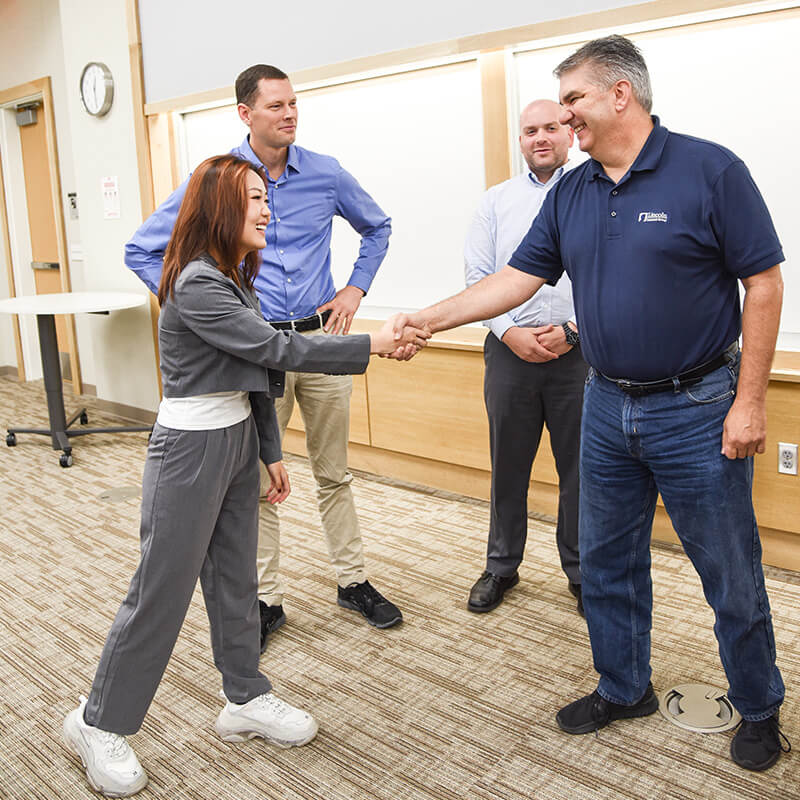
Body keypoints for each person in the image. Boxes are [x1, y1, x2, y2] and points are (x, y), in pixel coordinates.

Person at [393, 36, 790, 771]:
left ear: (619, 95)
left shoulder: (709, 170)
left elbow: (763, 284)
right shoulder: (572, 192)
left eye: (573, 98)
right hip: (607, 403)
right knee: (607, 560)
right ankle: (623, 685)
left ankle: (761, 706)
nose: (565, 115)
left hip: (698, 405)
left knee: (728, 570)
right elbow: (513, 281)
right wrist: (427, 318)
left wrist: (751, 403)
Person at [63, 155, 427, 798]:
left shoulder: (235, 278)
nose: (267, 209)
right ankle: (98, 722)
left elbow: (256, 376)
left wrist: (267, 450)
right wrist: (372, 343)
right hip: (188, 450)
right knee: (161, 590)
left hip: (232, 441)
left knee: (236, 583)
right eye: (255, 198)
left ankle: (246, 697)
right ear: (219, 210)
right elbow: (274, 349)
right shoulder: (197, 281)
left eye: (267, 197)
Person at [125, 64, 402, 649]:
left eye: (294, 104)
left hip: (319, 338)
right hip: (254, 352)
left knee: (334, 473)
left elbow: (377, 227)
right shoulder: (221, 181)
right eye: (276, 106)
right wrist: (202, 311)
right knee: (257, 480)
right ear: (246, 114)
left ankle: (352, 580)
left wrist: (355, 289)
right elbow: (142, 249)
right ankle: (265, 597)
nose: (290, 114)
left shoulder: (325, 174)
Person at [464, 99, 586, 617]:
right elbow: (478, 280)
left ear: (569, 132)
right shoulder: (496, 202)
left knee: (581, 470)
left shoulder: (594, 192)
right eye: (530, 130)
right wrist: (510, 333)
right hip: (509, 352)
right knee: (507, 465)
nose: (541, 137)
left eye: (551, 127)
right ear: (521, 139)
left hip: (579, 353)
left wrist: (574, 332)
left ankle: (582, 572)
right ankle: (501, 566)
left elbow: (609, 280)